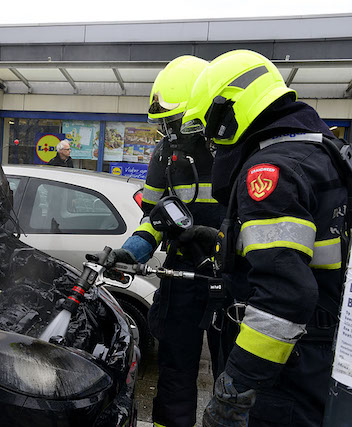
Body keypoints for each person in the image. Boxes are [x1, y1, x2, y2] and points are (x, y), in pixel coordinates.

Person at [179, 49, 345, 426]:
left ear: (227, 113)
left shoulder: (271, 173)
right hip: (319, 354)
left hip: (285, 370)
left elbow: (284, 297)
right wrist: (226, 243)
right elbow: (303, 248)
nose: (211, 143)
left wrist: (236, 389)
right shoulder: (319, 151)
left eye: (209, 128)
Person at [95, 55, 227, 427]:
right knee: (174, 372)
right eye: (162, 122)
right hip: (181, 274)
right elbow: (153, 218)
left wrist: (216, 239)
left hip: (229, 277)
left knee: (230, 373)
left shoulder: (234, 152)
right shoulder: (165, 155)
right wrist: (132, 250)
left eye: (172, 119)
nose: (166, 130)